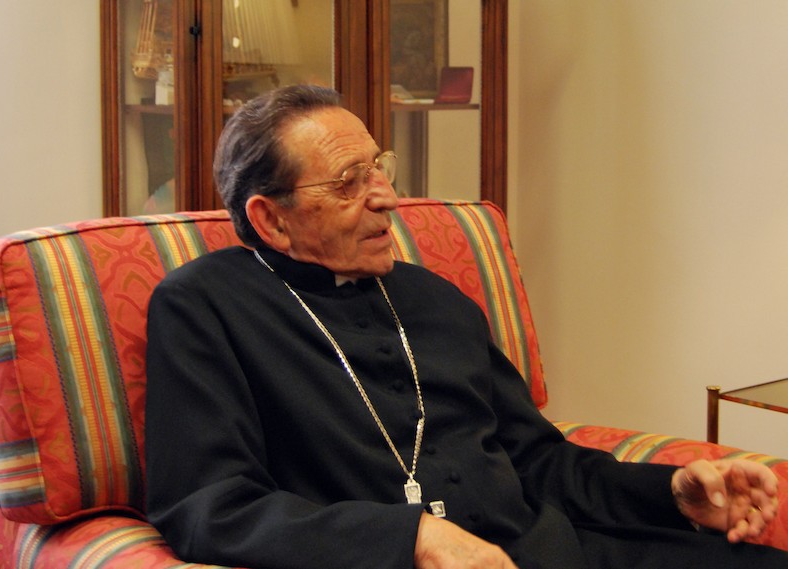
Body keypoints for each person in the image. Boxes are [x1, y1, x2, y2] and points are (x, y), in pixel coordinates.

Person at [145, 84, 787, 569]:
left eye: (378, 167)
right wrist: (412, 538)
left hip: (553, 550)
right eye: (349, 182)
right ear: (272, 219)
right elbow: (209, 507)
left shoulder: (435, 299)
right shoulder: (204, 307)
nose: (386, 196)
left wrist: (670, 492)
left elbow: (538, 460)